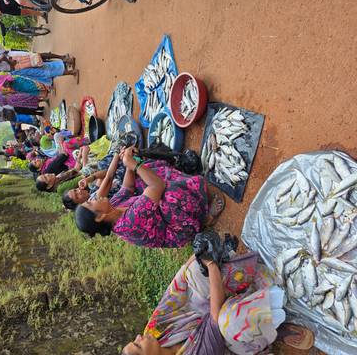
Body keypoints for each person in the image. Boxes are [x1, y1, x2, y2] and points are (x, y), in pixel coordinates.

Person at [122, 253, 314, 355]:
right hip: (229, 344)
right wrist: (212, 265)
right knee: (230, 321)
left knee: (194, 273)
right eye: (138, 346)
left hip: (206, 316)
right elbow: (215, 320)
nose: (139, 337)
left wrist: (197, 256)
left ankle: (255, 301)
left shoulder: (153, 333)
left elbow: (174, 291)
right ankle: (271, 331)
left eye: (134, 340)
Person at [74, 146, 224, 247]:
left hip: (159, 214)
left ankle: (189, 189)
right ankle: (203, 220)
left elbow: (128, 187)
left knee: (146, 172)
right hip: (176, 229)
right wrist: (133, 165)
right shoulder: (129, 222)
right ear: (99, 217)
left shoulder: (112, 206)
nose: (93, 198)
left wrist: (128, 163)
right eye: (90, 203)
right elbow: (158, 186)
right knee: (170, 194)